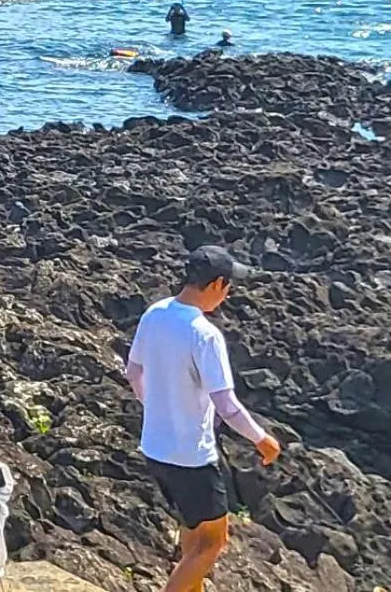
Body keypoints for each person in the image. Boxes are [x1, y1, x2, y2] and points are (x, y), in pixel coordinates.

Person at [126, 246, 280, 592]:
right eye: (228, 287)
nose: (227, 295)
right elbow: (225, 403)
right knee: (214, 542)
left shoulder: (154, 313)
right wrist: (261, 439)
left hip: (155, 448)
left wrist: (157, 406)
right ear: (217, 284)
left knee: (193, 530)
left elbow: (133, 372)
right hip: (190, 457)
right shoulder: (204, 334)